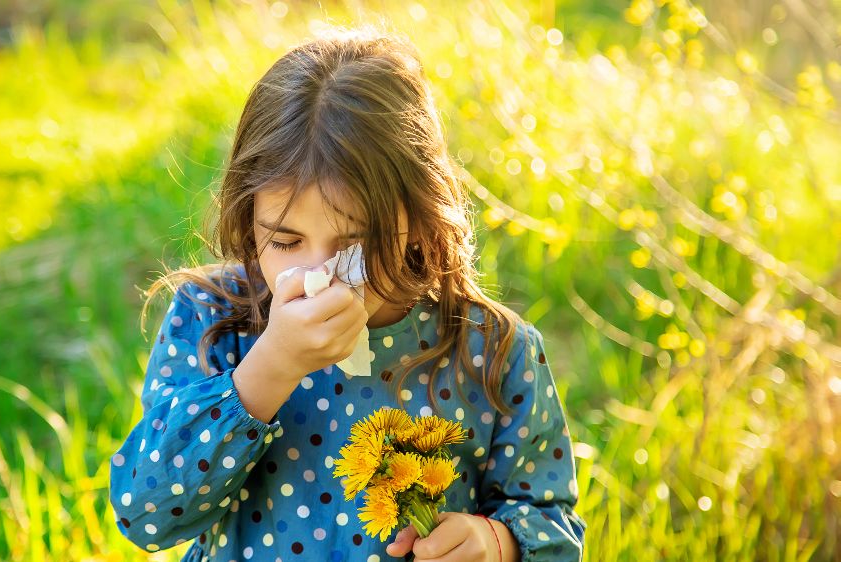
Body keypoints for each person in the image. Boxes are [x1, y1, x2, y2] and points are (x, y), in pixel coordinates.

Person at [108, 23, 587, 562]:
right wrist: (268, 369)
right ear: (249, 219)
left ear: (421, 214)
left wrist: (497, 543)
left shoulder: (492, 351)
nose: (321, 276)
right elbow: (142, 513)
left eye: (355, 243)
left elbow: (554, 527)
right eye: (286, 241)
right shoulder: (216, 319)